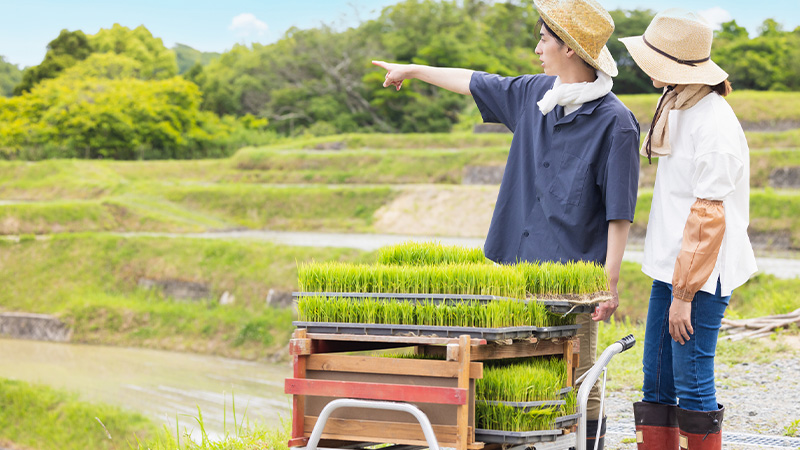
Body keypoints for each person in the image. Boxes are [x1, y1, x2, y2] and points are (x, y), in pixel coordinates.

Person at [373, 1, 640, 448]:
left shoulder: (616, 123)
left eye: (543, 39)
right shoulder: (534, 95)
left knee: (580, 382)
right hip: (510, 274)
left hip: (572, 286)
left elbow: (619, 212)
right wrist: (413, 69)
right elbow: (473, 81)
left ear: (570, 49)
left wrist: (609, 281)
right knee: (510, 377)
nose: (537, 47)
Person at [619, 9, 757, 450]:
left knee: (692, 382)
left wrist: (684, 296)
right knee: (656, 378)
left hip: (700, 274)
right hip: (671, 266)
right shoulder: (681, 102)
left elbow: (707, 218)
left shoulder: (713, 123)